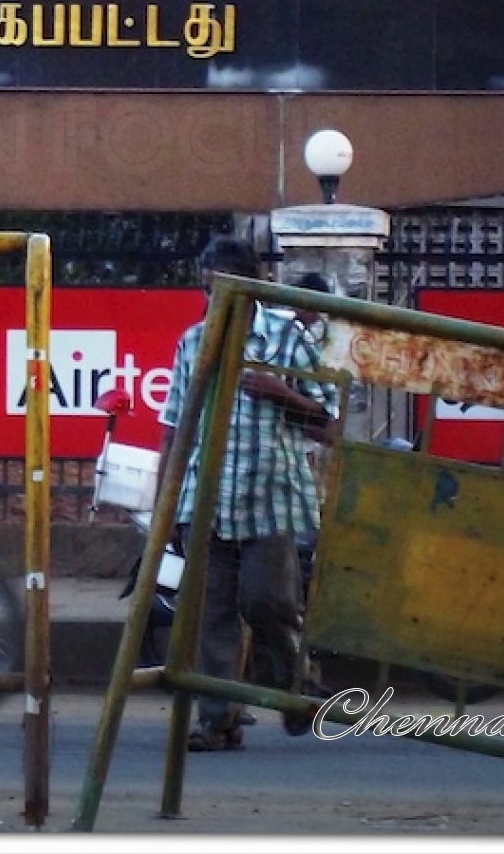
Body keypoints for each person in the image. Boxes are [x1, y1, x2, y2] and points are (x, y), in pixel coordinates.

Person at [157, 239, 339, 750]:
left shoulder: (286, 338)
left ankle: (297, 682)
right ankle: (219, 721)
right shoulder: (193, 343)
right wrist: (165, 500)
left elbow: (328, 426)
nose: (208, 295)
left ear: (247, 289)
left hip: (270, 496)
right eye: (204, 284)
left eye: (219, 285)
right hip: (205, 496)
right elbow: (173, 426)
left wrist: (280, 391)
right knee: (211, 612)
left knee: (268, 602)